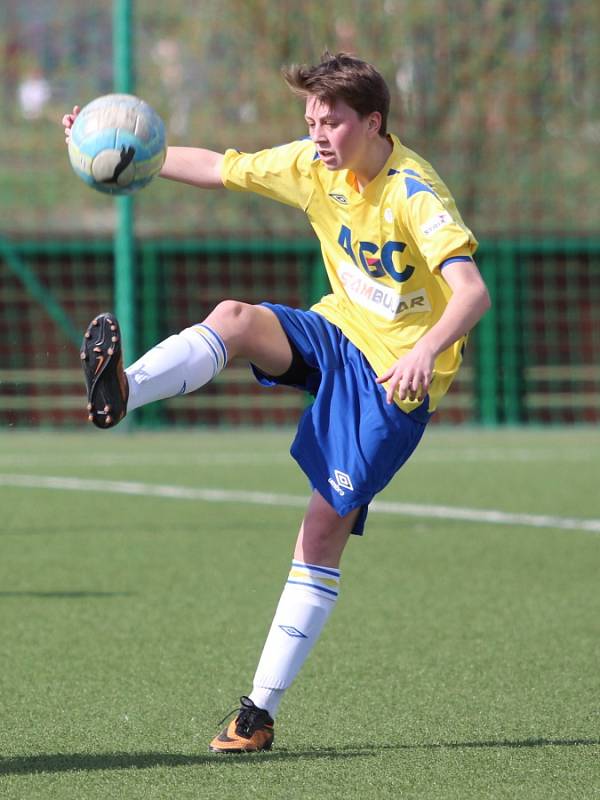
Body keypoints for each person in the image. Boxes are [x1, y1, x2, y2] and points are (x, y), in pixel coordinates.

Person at [62, 52, 491, 753]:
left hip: (392, 384)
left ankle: (257, 713)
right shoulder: (311, 165)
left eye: (333, 122)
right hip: (337, 334)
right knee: (234, 317)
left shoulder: (414, 190)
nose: (319, 134)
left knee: (320, 533)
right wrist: (111, 144)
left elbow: (472, 292)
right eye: (311, 120)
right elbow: (215, 166)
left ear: (373, 122)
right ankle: (124, 389)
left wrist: (424, 350)